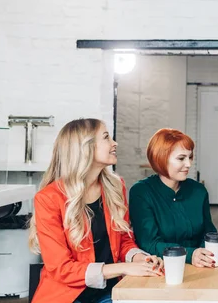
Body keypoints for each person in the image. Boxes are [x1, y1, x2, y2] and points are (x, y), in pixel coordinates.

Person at [29, 119, 163, 303]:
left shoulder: (116, 187)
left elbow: (123, 239)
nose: (114, 143)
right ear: (85, 148)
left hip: (108, 292)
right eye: (107, 138)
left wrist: (138, 258)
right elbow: (61, 268)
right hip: (66, 295)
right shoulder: (48, 198)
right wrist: (122, 268)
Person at [129, 129, 218, 268]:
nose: (188, 164)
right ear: (161, 158)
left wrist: (203, 255)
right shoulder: (141, 192)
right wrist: (190, 254)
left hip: (199, 267)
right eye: (181, 158)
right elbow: (149, 243)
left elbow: (209, 234)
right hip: (160, 268)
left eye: (190, 157)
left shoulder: (198, 191)